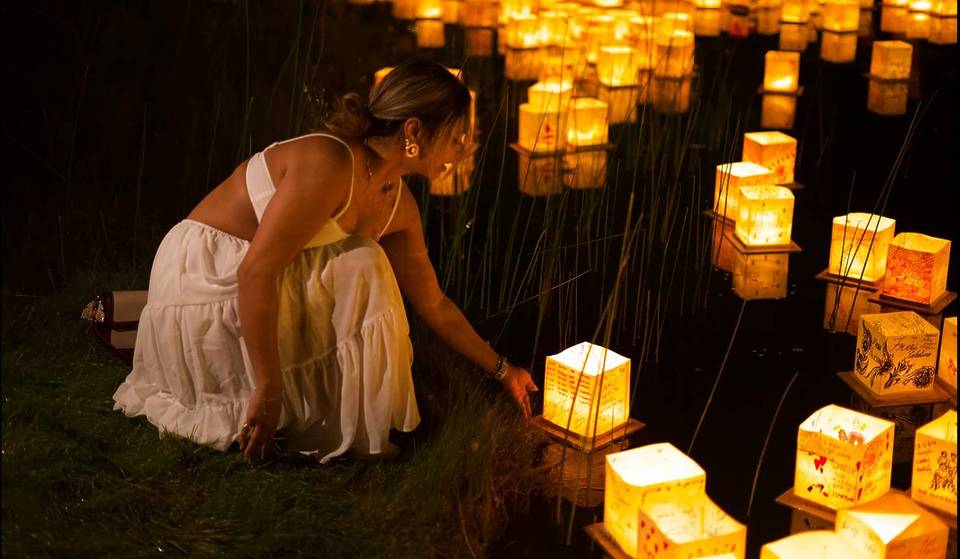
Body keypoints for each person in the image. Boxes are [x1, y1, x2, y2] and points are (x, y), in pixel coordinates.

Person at [113, 61, 539, 463]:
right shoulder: (330, 162)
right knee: (365, 261)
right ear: (415, 131)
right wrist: (268, 385)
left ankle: (333, 420)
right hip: (207, 274)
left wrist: (503, 370)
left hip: (262, 280)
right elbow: (256, 271)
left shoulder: (399, 205)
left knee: (364, 262)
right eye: (456, 138)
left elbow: (434, 304)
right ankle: (244, 382)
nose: (462, 152)